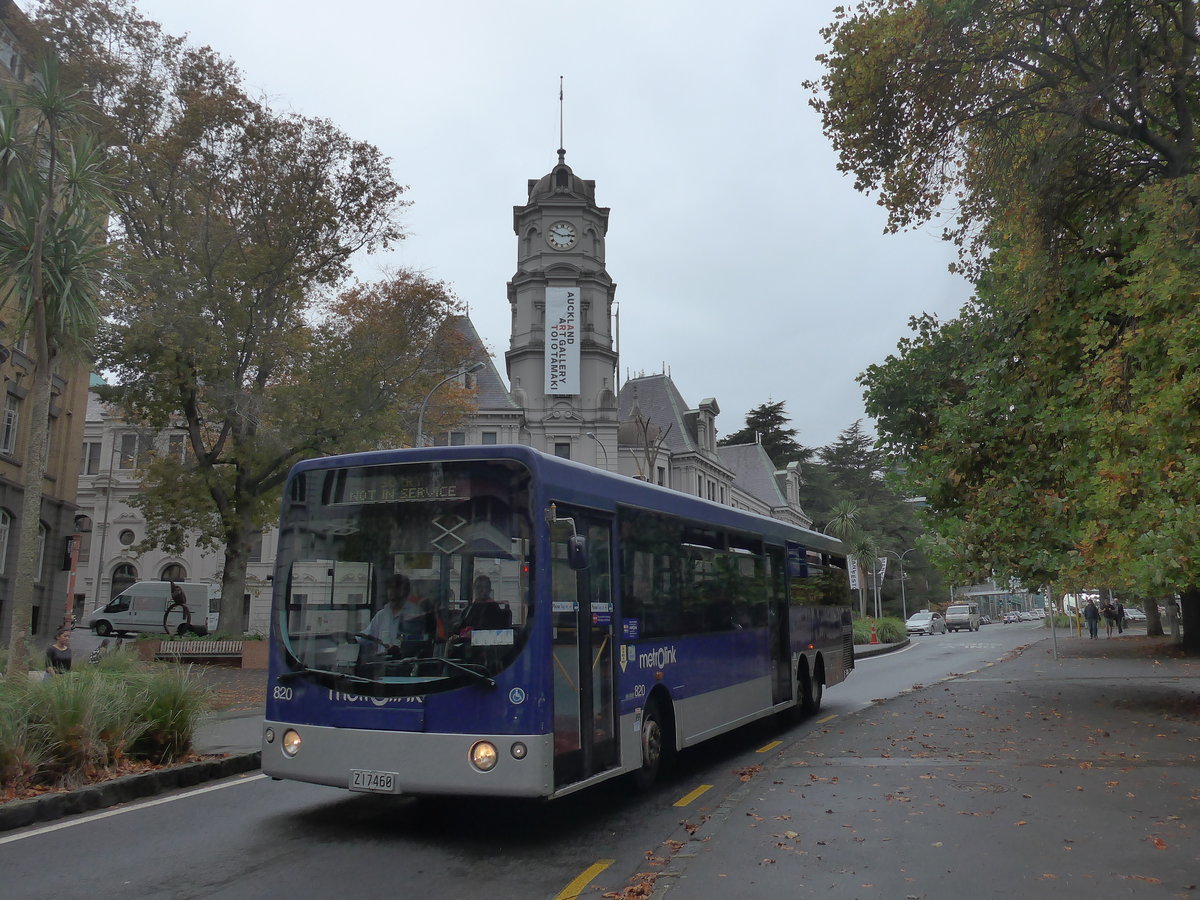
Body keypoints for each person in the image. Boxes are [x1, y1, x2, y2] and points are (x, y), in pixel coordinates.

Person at [360, 574, 432, 652]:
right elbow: (368, 637)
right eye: (390, 588)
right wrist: (353, 638)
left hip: (405, 661)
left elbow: (418, 640)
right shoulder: (382, 615)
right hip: (382, 662)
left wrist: (398, 646)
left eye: (397, 587)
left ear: (405, 591)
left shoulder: (416, 612)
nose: (392, 591)